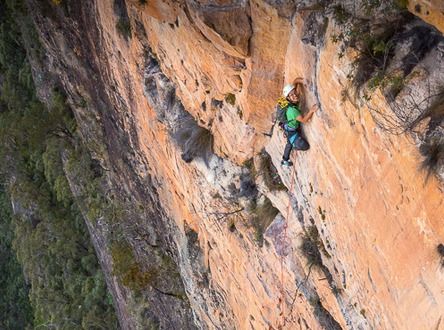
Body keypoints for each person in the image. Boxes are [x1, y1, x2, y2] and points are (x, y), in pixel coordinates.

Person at [280, 78, 318, 166]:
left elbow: (295, 83)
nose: (295, 95)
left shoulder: (291, 100)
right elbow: (304, 120)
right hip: (291, 130)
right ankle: (294, 147)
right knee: (305, 146)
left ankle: (285, 159)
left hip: (288, 127)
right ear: (288, 98)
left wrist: (302, 81)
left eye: (294, 93)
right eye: (292, 95)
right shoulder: (292, 111)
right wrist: (311, 111)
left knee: (289, 141)